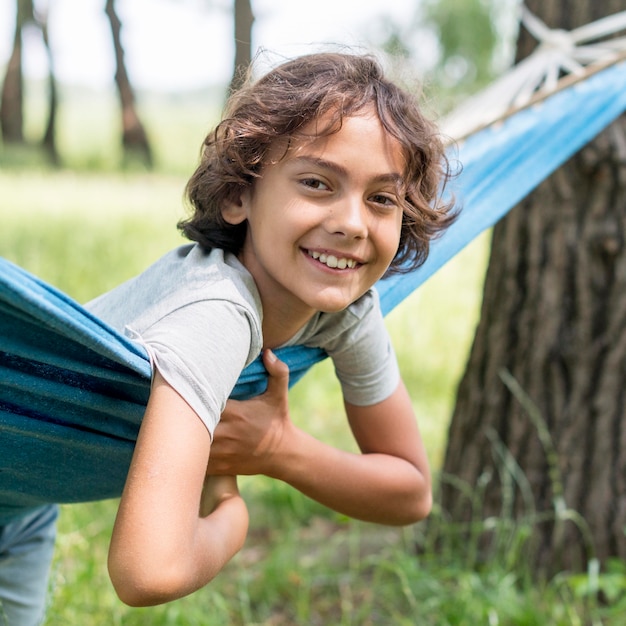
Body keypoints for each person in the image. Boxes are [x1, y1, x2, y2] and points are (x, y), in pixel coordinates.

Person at [1, 50, 456, 620]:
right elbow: (148, 570)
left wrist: (280, 450)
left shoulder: (348, 306)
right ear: (238, 196)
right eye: (317, 183)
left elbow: (411, 491)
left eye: (382, 198)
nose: (352, 223)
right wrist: (231, 525)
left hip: (21, 511)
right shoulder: (214, 312)